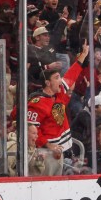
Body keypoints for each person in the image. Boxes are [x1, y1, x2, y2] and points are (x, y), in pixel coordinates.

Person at [27, 43, 89, 176]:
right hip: (45, 154)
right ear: (48, 83)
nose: (61, 80)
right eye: (57, 78)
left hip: (61, 151)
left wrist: (83, 55)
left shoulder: (58, 93)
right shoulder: (36, 103)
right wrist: (49, 146)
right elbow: (31, 130)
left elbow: (71, 76)